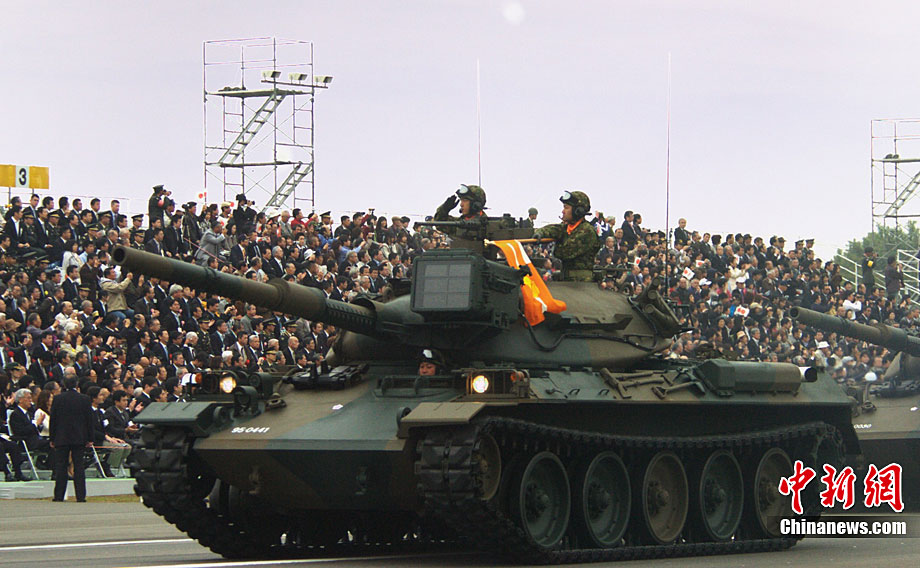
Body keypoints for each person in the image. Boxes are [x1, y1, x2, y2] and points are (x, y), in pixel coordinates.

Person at [533, 191, 599, 281]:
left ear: (577, 211)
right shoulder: (568, 227)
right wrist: (540, 233)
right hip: (567, 279)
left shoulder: (587, 231)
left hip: (581, 282)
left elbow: (563, 252)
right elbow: (553, 229)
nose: (563, 211)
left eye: (566, 208)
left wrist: (557, 240)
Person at [49, 377, 95, 502]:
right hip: (79, 437)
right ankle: (80, 495)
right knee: (79, 466)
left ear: (64, 384)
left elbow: (53, 419)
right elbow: (89, 420)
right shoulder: (84, 399)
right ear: (77, 384)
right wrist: (90, 438)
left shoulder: (58, 399)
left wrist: (52, 437)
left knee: (61, 466)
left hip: (62, 436)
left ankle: (59, 495)